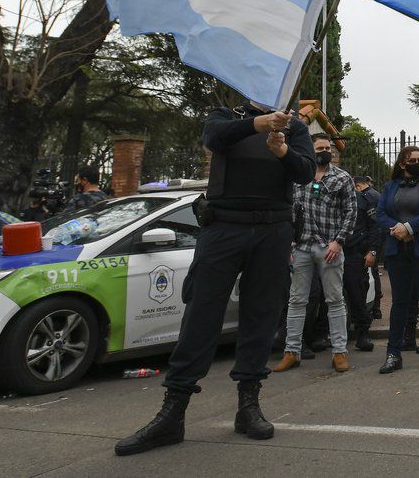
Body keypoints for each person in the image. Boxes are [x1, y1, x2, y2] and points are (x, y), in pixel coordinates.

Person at [115, 103, 313, 456]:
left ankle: (248, 406)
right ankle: (172, 413)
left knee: (261, 316)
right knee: (201, 315)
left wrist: (282, 149)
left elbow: (305, 172)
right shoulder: (225, 116)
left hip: (273, 229)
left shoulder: (293, 127)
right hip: (224, 227)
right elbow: (214, 137)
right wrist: (257, 124)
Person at [274, 134, 357, 374]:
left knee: (335, 300)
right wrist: (289, 242)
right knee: (297, 300)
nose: (324, 150)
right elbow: (287, 208)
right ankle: (292, 351)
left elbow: (351, 211)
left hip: (329, 247)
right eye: (319, 147)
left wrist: (339, 241)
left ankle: (340, 352)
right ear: (310, 150)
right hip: (301, 247)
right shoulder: (298, 176)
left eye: (327, 147)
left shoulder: (342, 177)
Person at [376, 146, 419, 375]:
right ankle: (393, 354)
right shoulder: (390, 186)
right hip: (397, 250)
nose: (418, 162)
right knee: (399, 303)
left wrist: (409, 227)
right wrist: (395, 229)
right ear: (402, 163)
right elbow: (381, 213)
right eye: (413, 160)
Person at [346, 176, 381, 351]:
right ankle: (322, 334)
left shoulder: (362, 200)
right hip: (330, 252)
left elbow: (374, 226)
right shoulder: (327, 198)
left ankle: (362, 334)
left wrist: (372, 250)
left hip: (354, 253)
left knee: (357, 294)